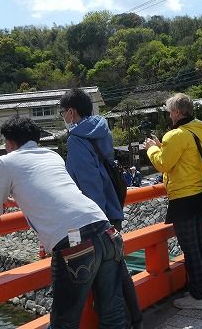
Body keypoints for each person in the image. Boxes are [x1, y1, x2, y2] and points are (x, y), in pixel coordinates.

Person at [0, 116, 126, 328]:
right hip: (105, 230)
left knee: (64, 320)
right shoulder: (53, 155)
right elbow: (52, 191)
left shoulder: (6, 162)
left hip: (76, 243)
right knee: (112, 312)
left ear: (10, 143)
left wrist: (7, 201)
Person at [59, 88, 143, 328]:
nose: (63, 117)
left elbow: (88, 184)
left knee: (103, 282)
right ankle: (135, 318)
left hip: (95, 219)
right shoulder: (100, 131)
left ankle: (127, 321)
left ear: (72, 112)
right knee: (117, 269)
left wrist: (95, 221)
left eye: (63, 112)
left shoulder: (76, 139)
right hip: (112, 212)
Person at [144, 93, 202, 310]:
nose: (169, 116)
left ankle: (197, 297)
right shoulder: (199, 129)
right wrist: (162, 145)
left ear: (176, 112)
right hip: (198, 193)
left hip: (182, 196)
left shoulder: (175, 135)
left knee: (190, 247)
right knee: (201, 244)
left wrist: (152, 148)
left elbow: (164, 164)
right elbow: (183, 155)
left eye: (169, 112)